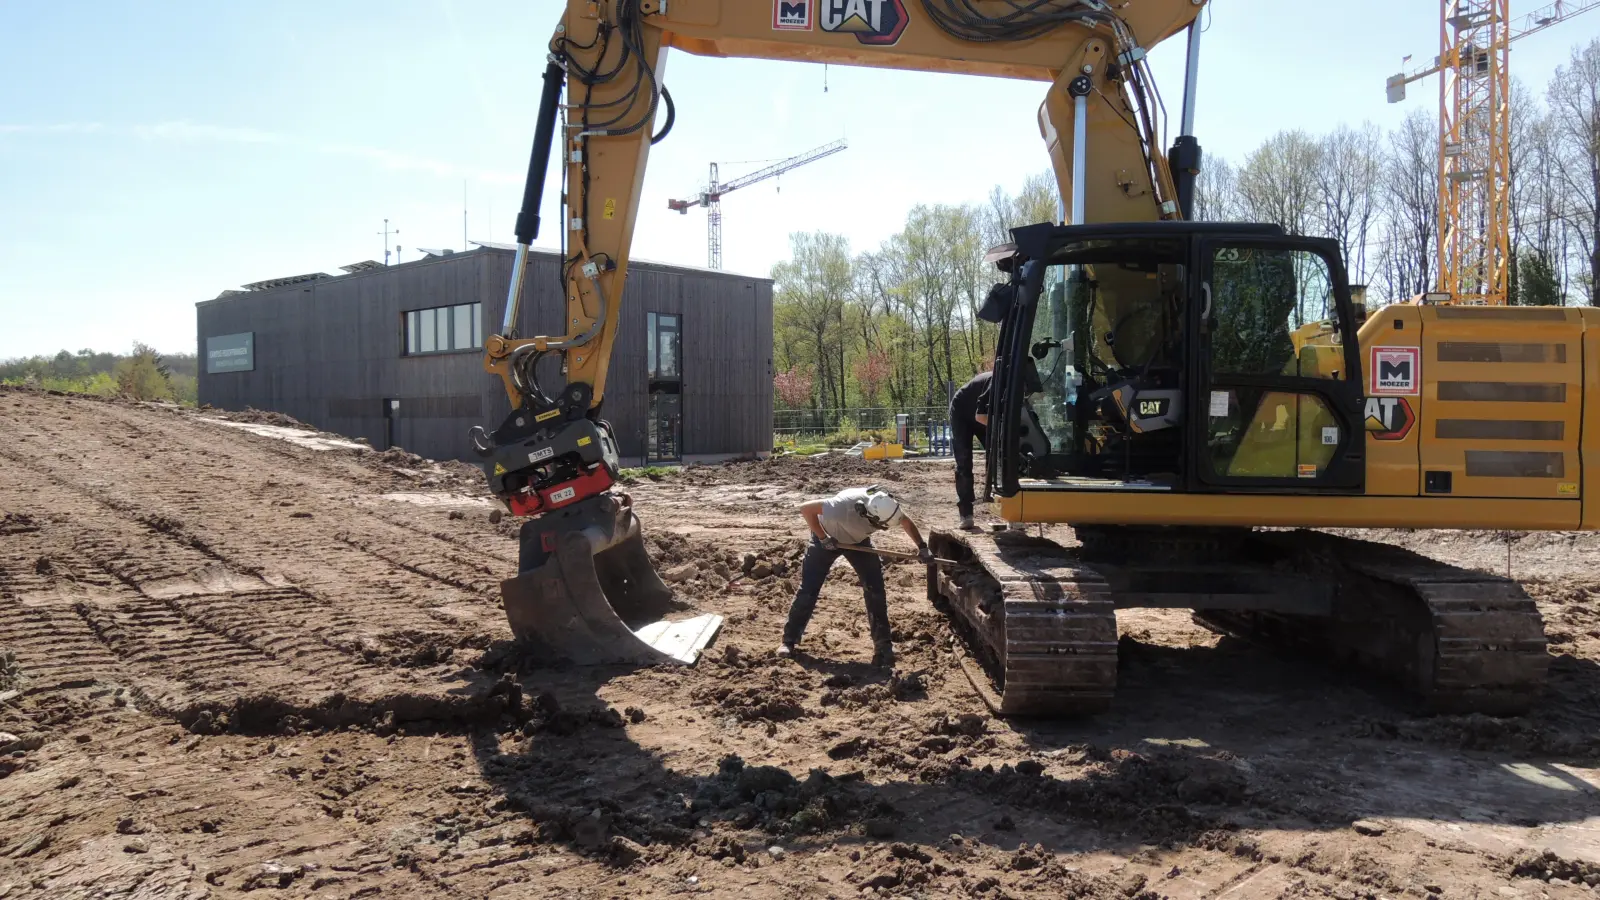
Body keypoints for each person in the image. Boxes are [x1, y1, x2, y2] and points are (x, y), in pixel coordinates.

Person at [777, 486, 931, 668]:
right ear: (869, 515)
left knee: (875, 590)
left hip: (858, 542)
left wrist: (922, 546)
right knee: (809, 589)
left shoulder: (885, 506)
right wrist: (823, 538)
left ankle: (883, 647)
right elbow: (806, 509)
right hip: (826, 538)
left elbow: (904, 521)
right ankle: (789, 641)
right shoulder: (840, 507)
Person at [948, 370, 992, 530]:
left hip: (984, 415)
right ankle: (966, 514)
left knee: (1000, 457)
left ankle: (1006, 505)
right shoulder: (996, 382)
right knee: (964, 461)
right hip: (963, 411)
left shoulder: (1018, 385)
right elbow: (980, 417)